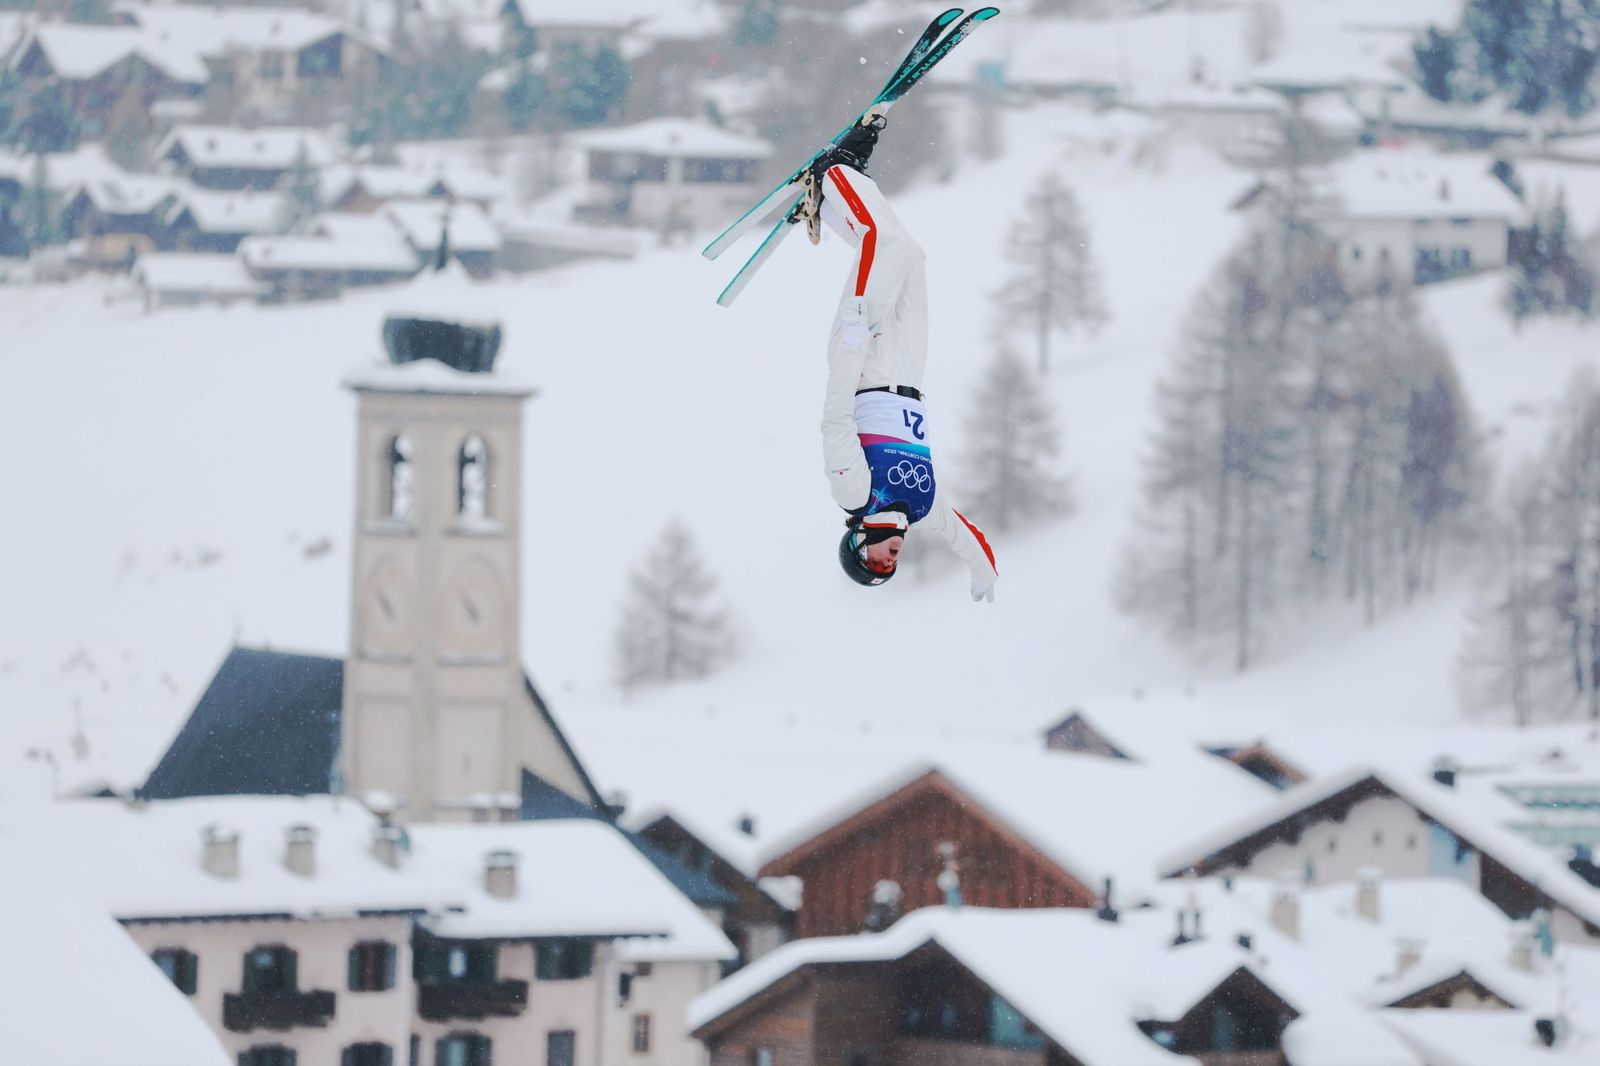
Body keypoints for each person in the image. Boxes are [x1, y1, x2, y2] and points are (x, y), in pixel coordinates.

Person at [795, 111, 998, 602]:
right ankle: (855, 176)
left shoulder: (856, 496)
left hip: (864, 362)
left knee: (880, 243)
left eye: (877, 560)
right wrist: (982, 572)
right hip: (909, 367)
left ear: (858, 540)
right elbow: (962, 534)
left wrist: (850, 341)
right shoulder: (924, 507)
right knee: (908, 253)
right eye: (891, 565)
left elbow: (836, 423)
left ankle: (830, 176)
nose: (891, 558)